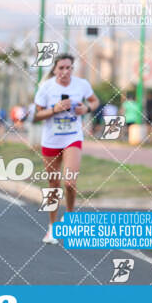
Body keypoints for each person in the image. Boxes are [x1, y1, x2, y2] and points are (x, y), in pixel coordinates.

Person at [33, 54, 99, 244]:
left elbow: (94, 101)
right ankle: (52, 228)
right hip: (51, 140)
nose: (65, 71)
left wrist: (86, 109)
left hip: (72, 137)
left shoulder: (81, 85)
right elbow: (37, 116)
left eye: (68, 68)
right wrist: (54, 109)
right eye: (61, 68)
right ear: (54, 70)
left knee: (70, 183)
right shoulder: (46, 88)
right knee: (54, 186)